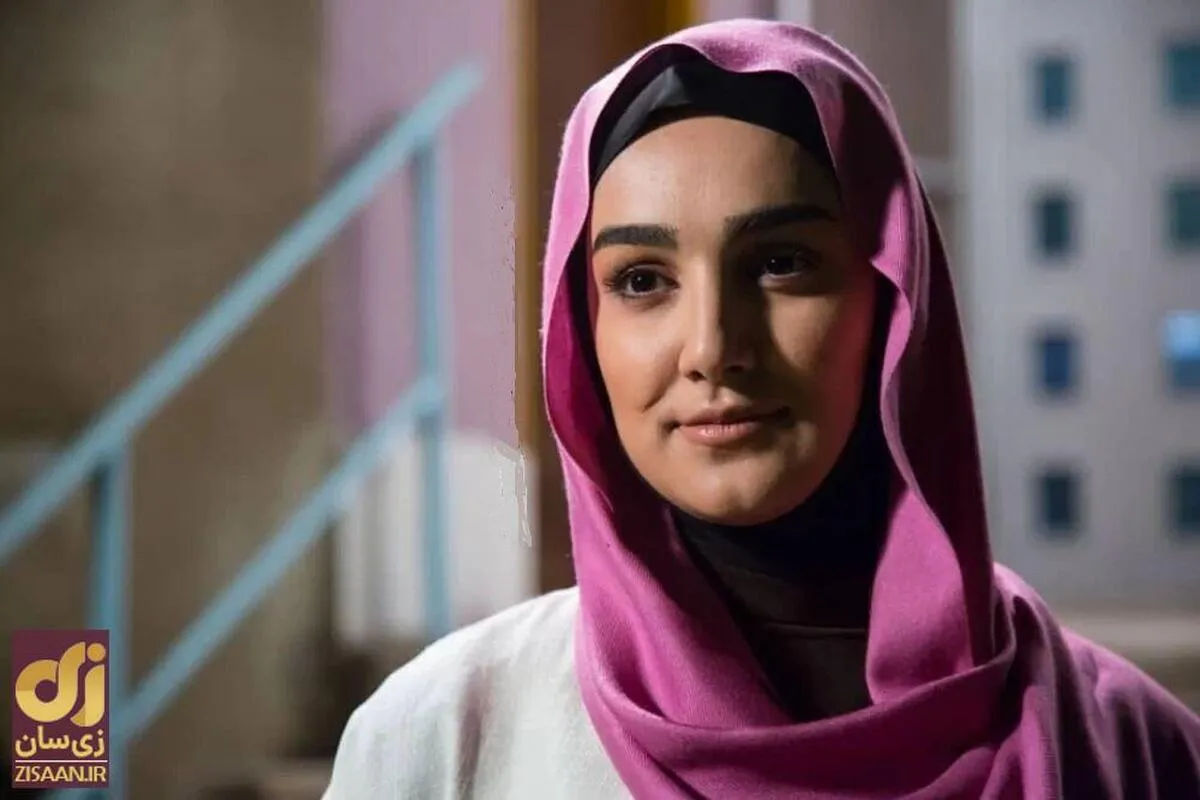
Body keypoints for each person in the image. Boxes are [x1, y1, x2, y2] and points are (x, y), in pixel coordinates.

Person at [322, 19, 1200, 799]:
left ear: (892, 303)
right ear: (583, 335)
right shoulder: (443, 738)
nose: (712, 346)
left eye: (780, 264)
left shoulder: (1132, 747)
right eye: (641, 280)